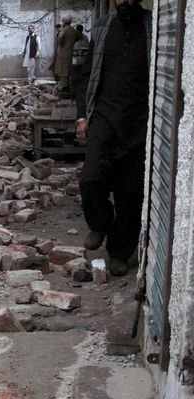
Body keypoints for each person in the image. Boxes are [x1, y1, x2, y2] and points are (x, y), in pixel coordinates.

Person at [75, 0, 151, 276]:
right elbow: (84, 77)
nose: (123, 1)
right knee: (91, 178)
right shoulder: (104, 28)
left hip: (139, 123)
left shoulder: (151, 28)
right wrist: (82, 116)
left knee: (130, 193)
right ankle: (100, 222)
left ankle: (120, 253)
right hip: (104, 118)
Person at [54, 15, 79, 93]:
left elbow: (60, 38)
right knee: (67, 69)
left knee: (62, 69)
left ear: (64, 22)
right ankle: (66, 85)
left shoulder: (64, 30)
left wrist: (61, 44)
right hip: (69, 52)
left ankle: (64, 86)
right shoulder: (73, 30)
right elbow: (79, 37)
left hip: (63, 53)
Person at [71, 24, 90, 96]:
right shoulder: (77, 37)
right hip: (77, 57)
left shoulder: (84, 37)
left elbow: (87, 46)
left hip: (80, 57)